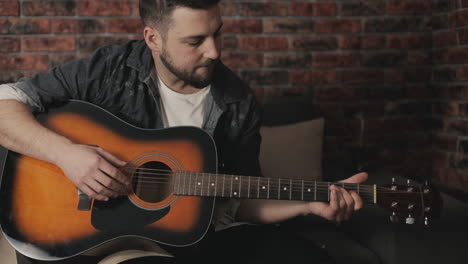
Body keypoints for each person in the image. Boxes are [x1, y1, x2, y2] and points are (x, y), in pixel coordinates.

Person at [0, 0, 368, 263]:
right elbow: (5, 103)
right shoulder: (108, 70)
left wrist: (308, 204)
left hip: (191, 240)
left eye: (217, 33)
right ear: (153, 38)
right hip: (86, 232)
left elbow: (238, 201)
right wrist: (67, 154)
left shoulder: (236, 101)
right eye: (195, 41)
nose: (214, 52)